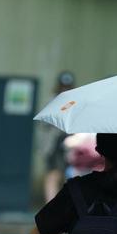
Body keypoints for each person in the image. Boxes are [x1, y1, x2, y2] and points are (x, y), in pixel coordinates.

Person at [39, 71, 76, 202]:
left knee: (71, 175)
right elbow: (44, 124)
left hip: (71, 143)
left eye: (68, 86)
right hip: (53, 144)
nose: (65, 89)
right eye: (63, 86)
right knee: (53, 174)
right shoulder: (51, 101)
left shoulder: (75, 101)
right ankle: (51, 207)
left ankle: (68, 206)